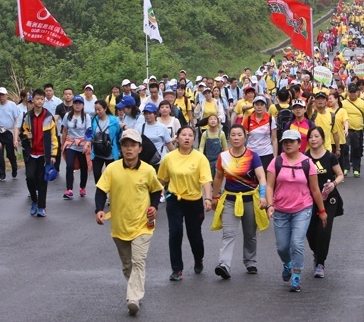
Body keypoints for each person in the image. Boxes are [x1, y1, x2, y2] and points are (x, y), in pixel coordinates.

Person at [95, 129, 163, 316]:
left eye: (133, 145)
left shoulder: (148, 170)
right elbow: (101, 190)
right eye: (125, 146)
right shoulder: (112, 169)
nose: (129, 149)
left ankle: (133, 298)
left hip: (143, 224)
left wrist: (154, 206)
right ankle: (136, 288)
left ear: (140, 148)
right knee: (128, 266)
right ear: (121, 149)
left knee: (138, 261)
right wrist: (99, 209)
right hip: (119, 226)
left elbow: (156, 191)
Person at [265, 129, 326, 293]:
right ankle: (288, 264)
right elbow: (269, 186)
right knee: (282, 247)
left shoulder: (307, 163)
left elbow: (315, 189)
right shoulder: (276, 162)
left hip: (302, 209)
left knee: (296, 243)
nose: (288, 144)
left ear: (299, 143)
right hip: (281, 210)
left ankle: (296, 277)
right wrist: (270, 205)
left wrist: (322, 211)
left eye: (292, 141)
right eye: (285, 142)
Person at [210, 124, 268, 279]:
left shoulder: (252, 156)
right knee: (228, 233)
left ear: (245, 137)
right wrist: (214, 197)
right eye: (233, 135)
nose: (236, 138)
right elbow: (218, 177)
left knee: (250, 234)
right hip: (230, 199)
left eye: (239, 135)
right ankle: (224, 265)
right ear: (229, 137)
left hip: (250, 199)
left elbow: (262, 177)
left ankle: (250, 262)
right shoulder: (223, 156)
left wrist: (263, 196)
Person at [157, 126, 213, 282]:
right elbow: (161, 179)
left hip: (194, 201)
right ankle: (176, 269)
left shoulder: (200, 158)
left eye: (190, 135)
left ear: (193, 139)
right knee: (175, 233)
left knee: (194, 235)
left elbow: (206, 180)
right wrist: (152, 195)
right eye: (183, 135)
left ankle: (198, 258)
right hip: (175, 199)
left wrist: (208, 198)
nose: (187, 138)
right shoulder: (169, 158)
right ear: (177, 138)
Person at [304, 127, 344, 278]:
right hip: (309, 198)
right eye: (311, 137)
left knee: (324, 230)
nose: (313, 139)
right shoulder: (304, 157)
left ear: (322, 138)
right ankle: (317, 253)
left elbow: (340, 175)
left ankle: (320, 262)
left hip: (329, 199)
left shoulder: (330, 157)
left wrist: (333, 184)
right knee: (310, 231)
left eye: (316, 136)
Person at [19, 89, 59, 217]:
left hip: (44, 154)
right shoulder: (27, 117)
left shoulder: (48, 116)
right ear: (32, 100)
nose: (40, 101)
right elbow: (22, 134)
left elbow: (54, 137)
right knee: (30, 177)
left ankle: (42, 206)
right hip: (31, 154)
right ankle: (34, 201)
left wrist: (53, 155)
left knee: (42, 181)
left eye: (42, 99)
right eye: (37, 99)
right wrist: (26, 135)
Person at [61, 95, 91, 200]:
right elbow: (64, 130)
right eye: (76, 103)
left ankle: (82, 187)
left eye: (80, 103)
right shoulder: (68, 116)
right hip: (71, 143)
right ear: (73, 104)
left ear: (83, 105)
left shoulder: (86, 117)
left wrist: (87, 144)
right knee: (69, 165)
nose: (77, 105)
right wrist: (62, 144)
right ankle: (69, 189)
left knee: (84, 167)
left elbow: (88, 132)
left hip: (83, 144)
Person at [87, 99, 122, 187]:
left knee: (112, 175)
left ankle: (112, 193)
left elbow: (118, 134)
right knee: (97, 174)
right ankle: (101, 192)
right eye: (96, 110)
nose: (97, 112)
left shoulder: (114, 121)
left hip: (110, 151)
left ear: (105, 108)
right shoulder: (94, 120)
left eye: (99, 109)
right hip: (97, 152)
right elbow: (90, 133)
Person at [0, 87, 20, 181]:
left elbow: (17, 119)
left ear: (6, 95)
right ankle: (1, 174)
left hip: (10, 132)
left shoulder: (12, 105)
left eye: (3, 95)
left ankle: (14, 167)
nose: (1, 97)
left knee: (10, 154)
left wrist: (16, 135)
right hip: (0, 132)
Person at [242, 95, 278, 170]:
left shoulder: (270, 119)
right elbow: (243, 139)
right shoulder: (248, 119)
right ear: (253, 106)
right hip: (251, 153)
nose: (259, 107)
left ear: (265, 106)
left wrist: (275, 157)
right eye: (257, 104)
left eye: (261, 105)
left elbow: (274, 139)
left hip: (267, 153)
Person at [342, 83, 364, 178]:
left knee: (356, 150)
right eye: (351, 92)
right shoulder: (343, 103)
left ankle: (356, 169)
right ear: (348, 92)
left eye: (354, 92)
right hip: (346, 130)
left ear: (357, 92)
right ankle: (345, 167)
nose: (353, 94)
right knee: (345, 148)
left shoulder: (362, 103)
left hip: (358, 130)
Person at [140, 103, 174, 169]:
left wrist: (176, 157)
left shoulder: (162, 127)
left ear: (155, 114)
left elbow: (169, 143)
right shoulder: (140, 127)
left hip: (160, 160)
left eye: (150, 113)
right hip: (146, 161)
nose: (148, 116)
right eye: (146, 114)